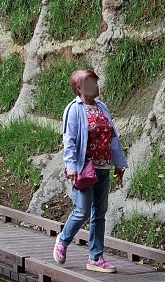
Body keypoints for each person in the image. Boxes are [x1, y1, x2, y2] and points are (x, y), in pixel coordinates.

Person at [53, 69, 127, 273]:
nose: (96, 86)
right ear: (79, 88)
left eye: (96, 82)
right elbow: (69, 140)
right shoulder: (74, 109)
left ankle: (96, 257)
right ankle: (63, 239)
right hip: (84, 169)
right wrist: (71, 166)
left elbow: (112, 136)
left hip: (103, 167)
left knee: (99, 214)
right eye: (91, 83)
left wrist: (118, 163)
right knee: (82, 211)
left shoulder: (102, 107)